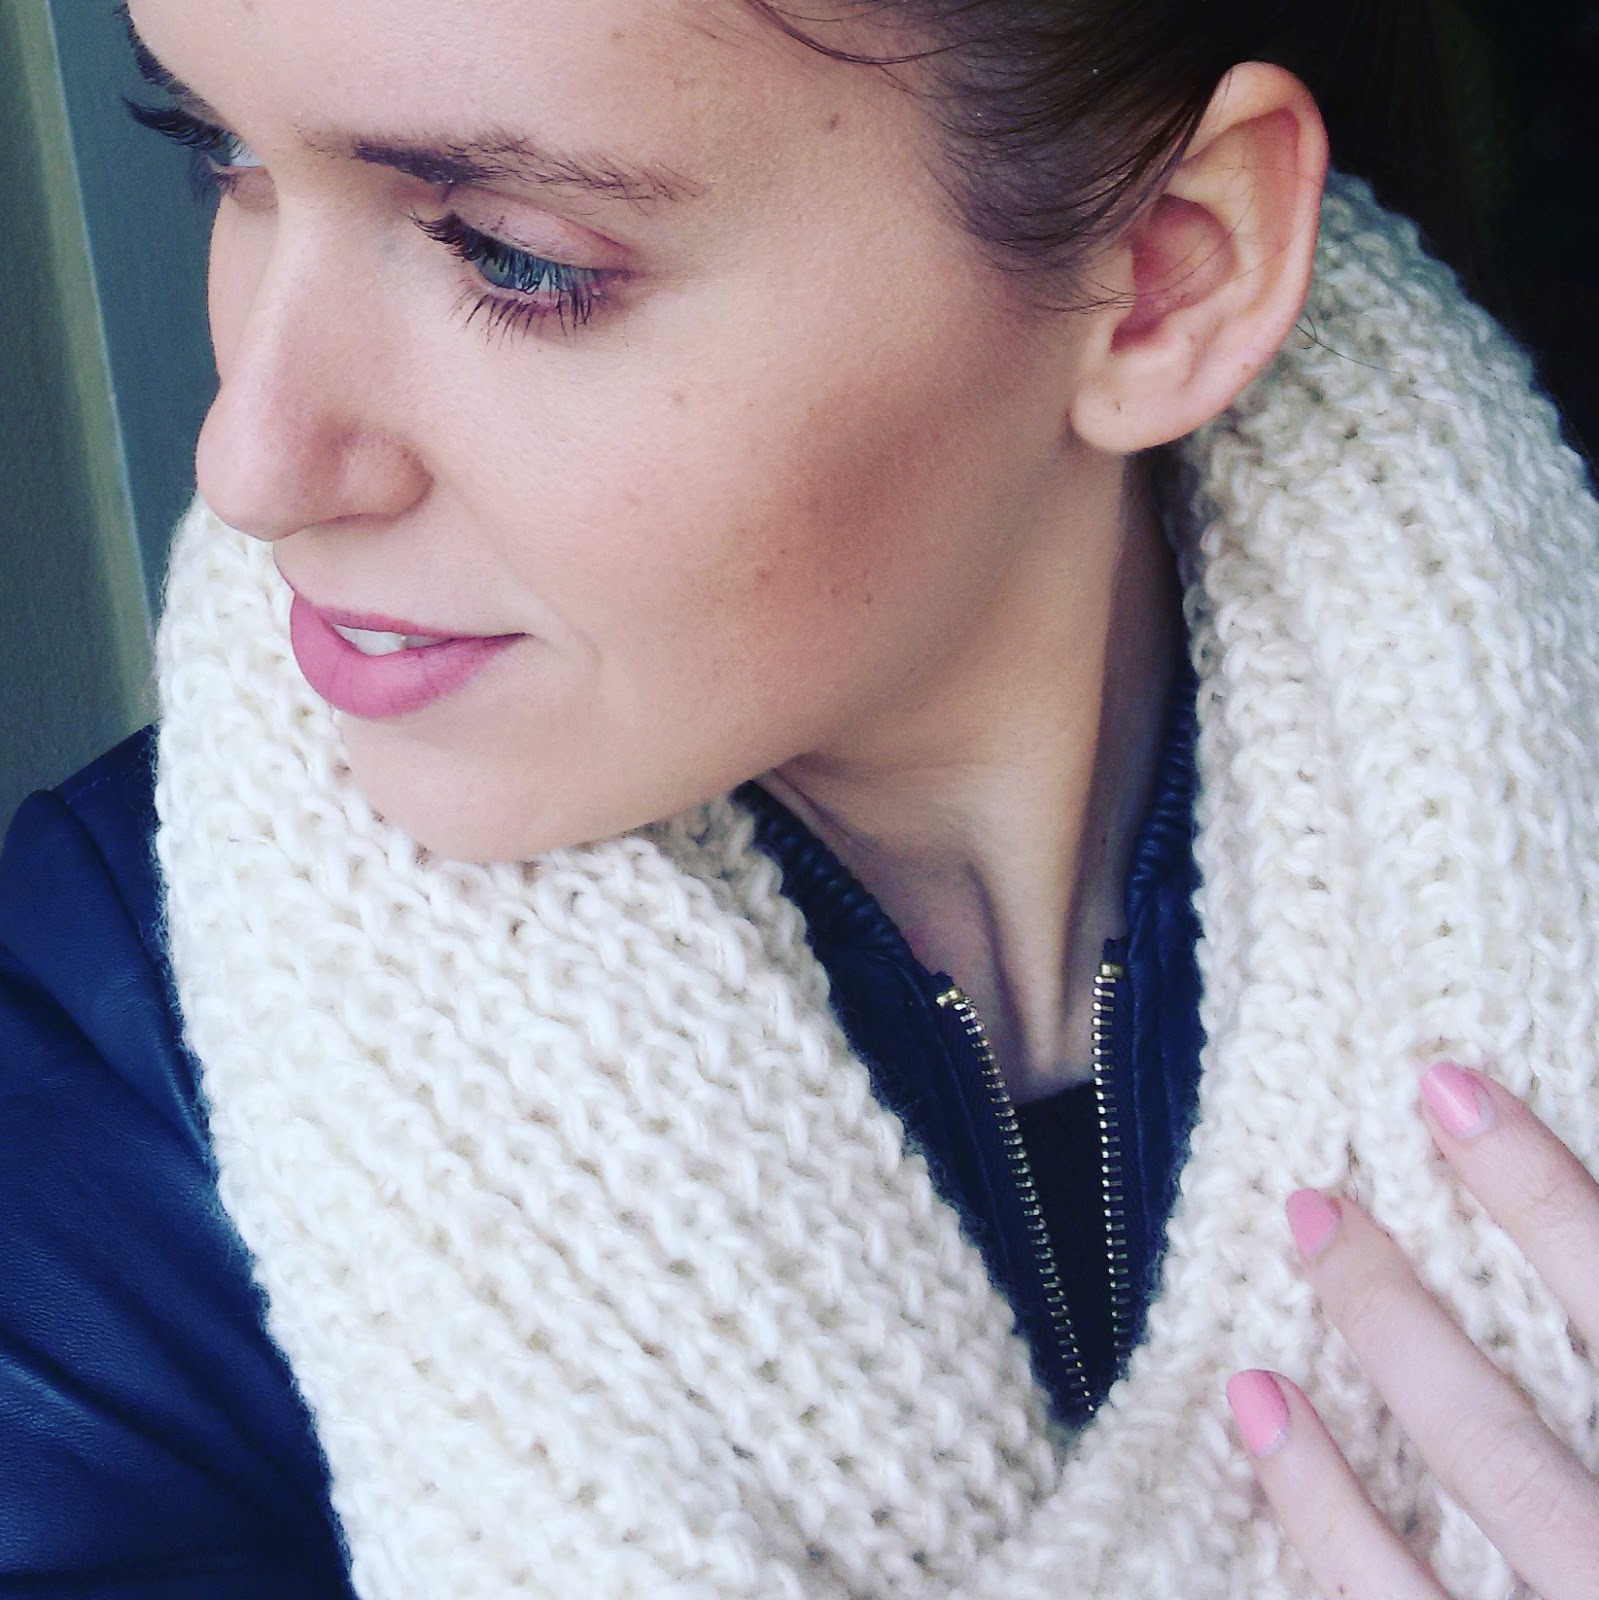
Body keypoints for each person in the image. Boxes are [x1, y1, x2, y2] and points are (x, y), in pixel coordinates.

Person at [2, 0, 1597, 1595]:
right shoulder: (100, 1078)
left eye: (515, 258)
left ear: (1169, 278)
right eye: (224, 154)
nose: (250, 463)